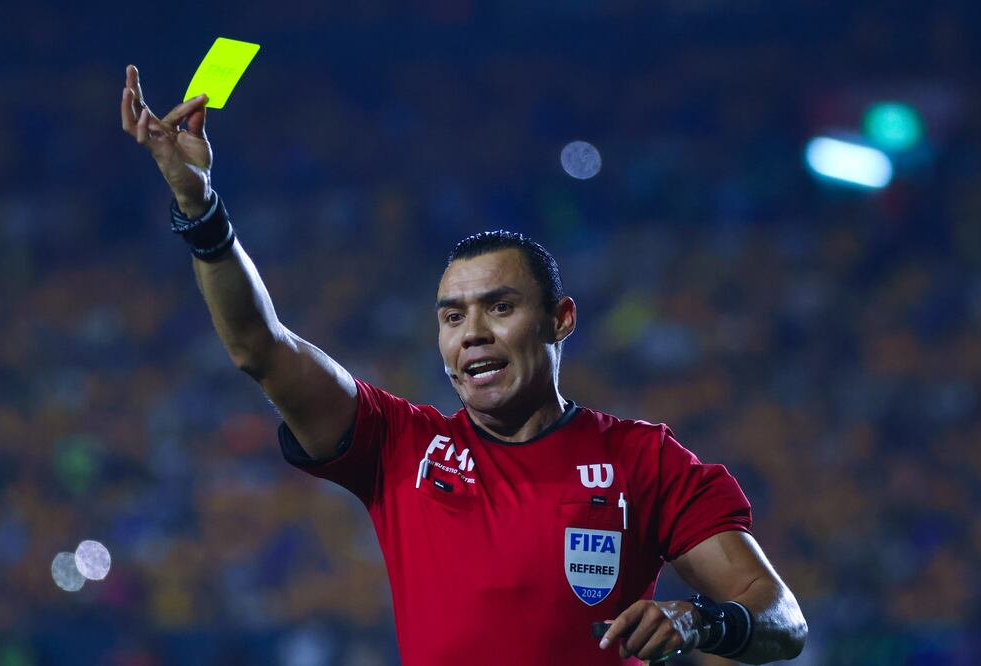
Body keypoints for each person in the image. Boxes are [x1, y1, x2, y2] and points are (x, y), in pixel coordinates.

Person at [120, 64, 808, 665]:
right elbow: (258, 347)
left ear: (560, 319)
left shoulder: (645, 460)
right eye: (452, 317)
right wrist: (199, 207)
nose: (471, 334)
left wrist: (702, 618)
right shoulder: (397, 446)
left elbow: (781, 619)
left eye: (499, 307)